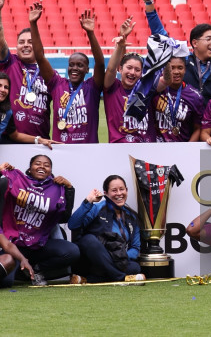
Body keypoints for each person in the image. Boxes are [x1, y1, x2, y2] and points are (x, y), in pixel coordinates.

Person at [29, 3, 104, 143]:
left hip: (88, 150)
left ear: (87, 70)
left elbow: (100, 64)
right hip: (60, 149)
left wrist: (90, 33)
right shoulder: (57, 84)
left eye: (80, 65)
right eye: (71, 65)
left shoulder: (92, 87)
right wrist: (33, 24)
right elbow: (40, 57)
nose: (74, 68)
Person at [142, 0, 211, 103]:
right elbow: (160, 34)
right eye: (209, 39)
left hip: (210, 115)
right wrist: (148, 2)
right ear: (195, 43)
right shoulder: (183, 59)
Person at [0, 156, 78, 286]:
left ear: (50, 170)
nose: (42, 166)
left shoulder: (56, 189)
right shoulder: (14, 181)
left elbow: (64, 218)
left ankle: (36, 270)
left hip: (38, 245)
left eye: (46, 165)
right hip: (14, 245)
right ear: (30, 168)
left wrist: (69, 188)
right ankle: (21, 271)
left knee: (72, 251)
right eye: (37, 163)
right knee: (5, 281)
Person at [68, 175, 144, 283]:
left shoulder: (132, 216)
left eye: (121, 189)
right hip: (90, 261)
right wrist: (88, 201)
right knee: (89, 239)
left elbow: (135, 248)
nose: (119, 193)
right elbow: (72, 225)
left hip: (115, 261)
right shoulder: (97, 208)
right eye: (114, 190)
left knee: (135, 267)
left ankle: (88, 279)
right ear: (106, 193)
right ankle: (120, 277)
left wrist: (119, 257)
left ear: (126, 190)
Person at [0, 0, 53, 139]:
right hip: (9, 139)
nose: (26, 45)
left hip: (40, 141)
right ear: (16, 46)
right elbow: (1, 42)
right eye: (21, 42)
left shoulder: (48, 73)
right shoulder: (11, 63)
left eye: (30, 42)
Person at [103, 18, 155, 143]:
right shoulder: (113, 87)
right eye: (129, 68)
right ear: (120, 69)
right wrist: (120, 45)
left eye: (137, 70)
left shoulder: (147, 89)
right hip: (119, 149)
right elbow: (110, 70)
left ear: (142, 73)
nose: (132, 72)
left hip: (147, 148)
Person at [152, 57, 204, 142]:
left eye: (180, 68)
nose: (176, 72)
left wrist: (188, 147)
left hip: (182, 146)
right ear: (165, 70)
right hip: (155, 146)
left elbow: (197, 128)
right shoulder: (155, 89)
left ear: (185, 70)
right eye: (172, 68)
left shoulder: (195, 96)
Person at [0, 72, 56, 147]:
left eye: (6, 87)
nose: (3, 89)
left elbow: (15, 135)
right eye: (0, 85)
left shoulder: (7, 113)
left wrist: (39, 140)